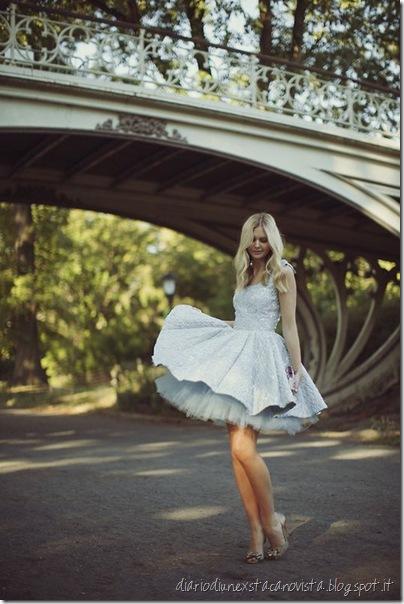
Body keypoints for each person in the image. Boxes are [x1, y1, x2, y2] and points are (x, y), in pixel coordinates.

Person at [152, 212, 327, 563]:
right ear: (246, 239)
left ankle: (273, 522)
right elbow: (245, 319)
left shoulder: (283, 272)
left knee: (245, 449)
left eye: (264, 239)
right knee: (235, 450)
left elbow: (288, 326)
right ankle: (255, 534)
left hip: (262, 363)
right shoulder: (245, 272)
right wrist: (208, 327)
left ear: (272, 240)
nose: (258, 245)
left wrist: (295, 369)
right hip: (237, 357)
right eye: (253, 238)